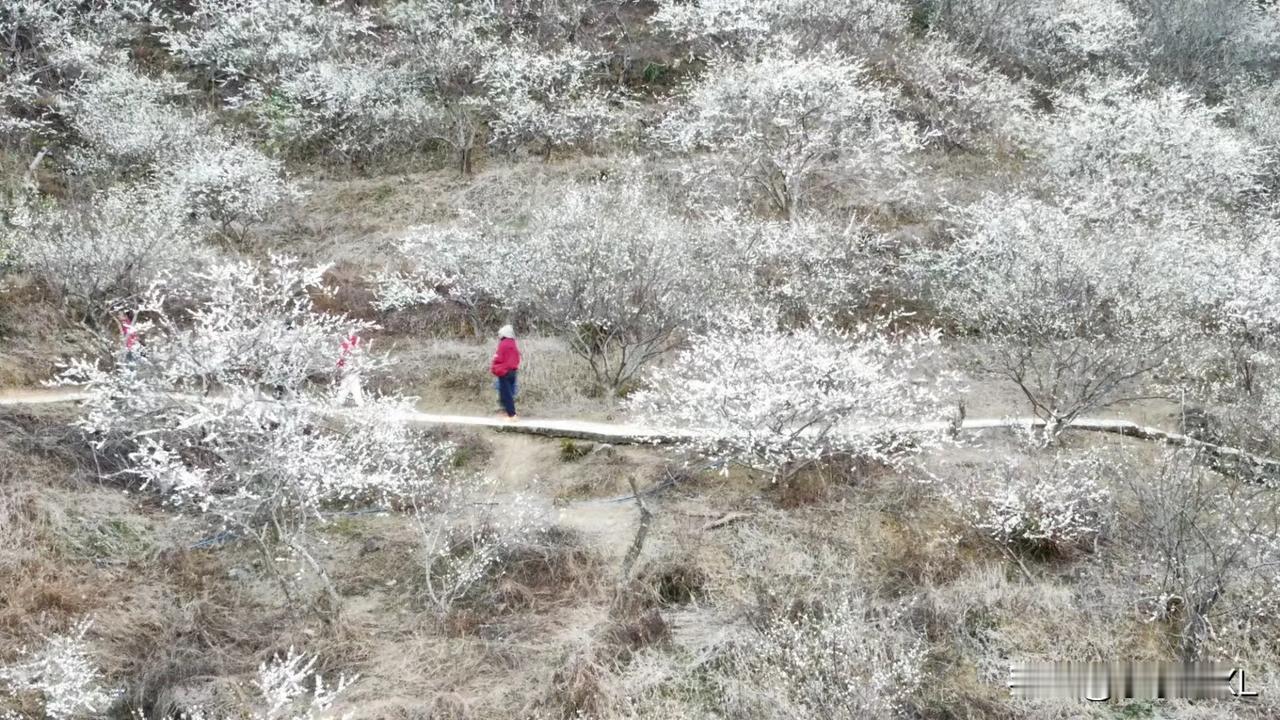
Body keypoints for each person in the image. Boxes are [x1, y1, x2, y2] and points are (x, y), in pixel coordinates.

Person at [490, 324, 521, 421]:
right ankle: (506, 413)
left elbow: (498, 358)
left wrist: (495, 368)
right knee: (508, 393)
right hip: (513, 371)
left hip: (504, 372)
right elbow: (517, 358)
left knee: (505, 394)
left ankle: (512, 415)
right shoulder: (513, 343)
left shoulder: (503, 344)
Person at [334, 331, 366, 407]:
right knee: (344, 390)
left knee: (355, 390)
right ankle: (338, 404)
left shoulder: (357, 351)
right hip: (346, 374)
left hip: (353, 374)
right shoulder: (343, 350)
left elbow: (359, 364)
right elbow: (339, 362)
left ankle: (361, 405)